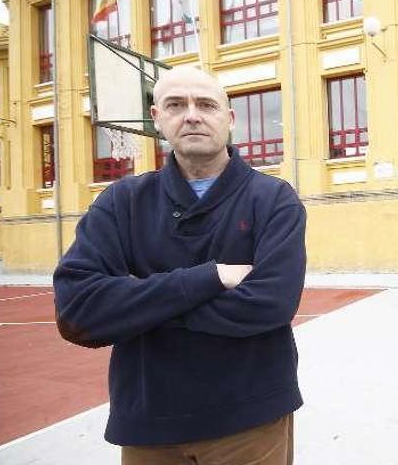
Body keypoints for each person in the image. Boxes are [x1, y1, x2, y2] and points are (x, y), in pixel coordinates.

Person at [53, 67, 306, 464]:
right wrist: (209, 277)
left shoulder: (273, 200)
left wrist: (139, 305)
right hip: (150, 423)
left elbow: (270, 304)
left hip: (250, 418)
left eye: (206, 104)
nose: (192, 115)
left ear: (229, 119)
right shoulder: (121, 203)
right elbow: (78, 311)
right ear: (157, 118)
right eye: (176, 105)